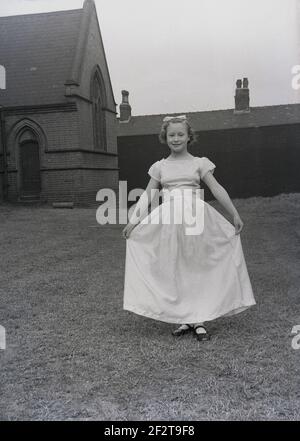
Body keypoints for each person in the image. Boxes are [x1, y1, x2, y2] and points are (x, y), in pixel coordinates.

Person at [122, 115, 256, 341]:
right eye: (171, 135)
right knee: (175, 265)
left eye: (180, 134)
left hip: (196, 220)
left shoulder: (199, 163)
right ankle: (184, 316)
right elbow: (147, 196)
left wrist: (234, 213)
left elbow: (216, 188)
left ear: (188, 137)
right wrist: (133, 220)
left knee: (196, 264)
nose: (176, 139)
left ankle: (199, 319)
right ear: (165, 138)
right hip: (169, 221)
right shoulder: (160, 167)